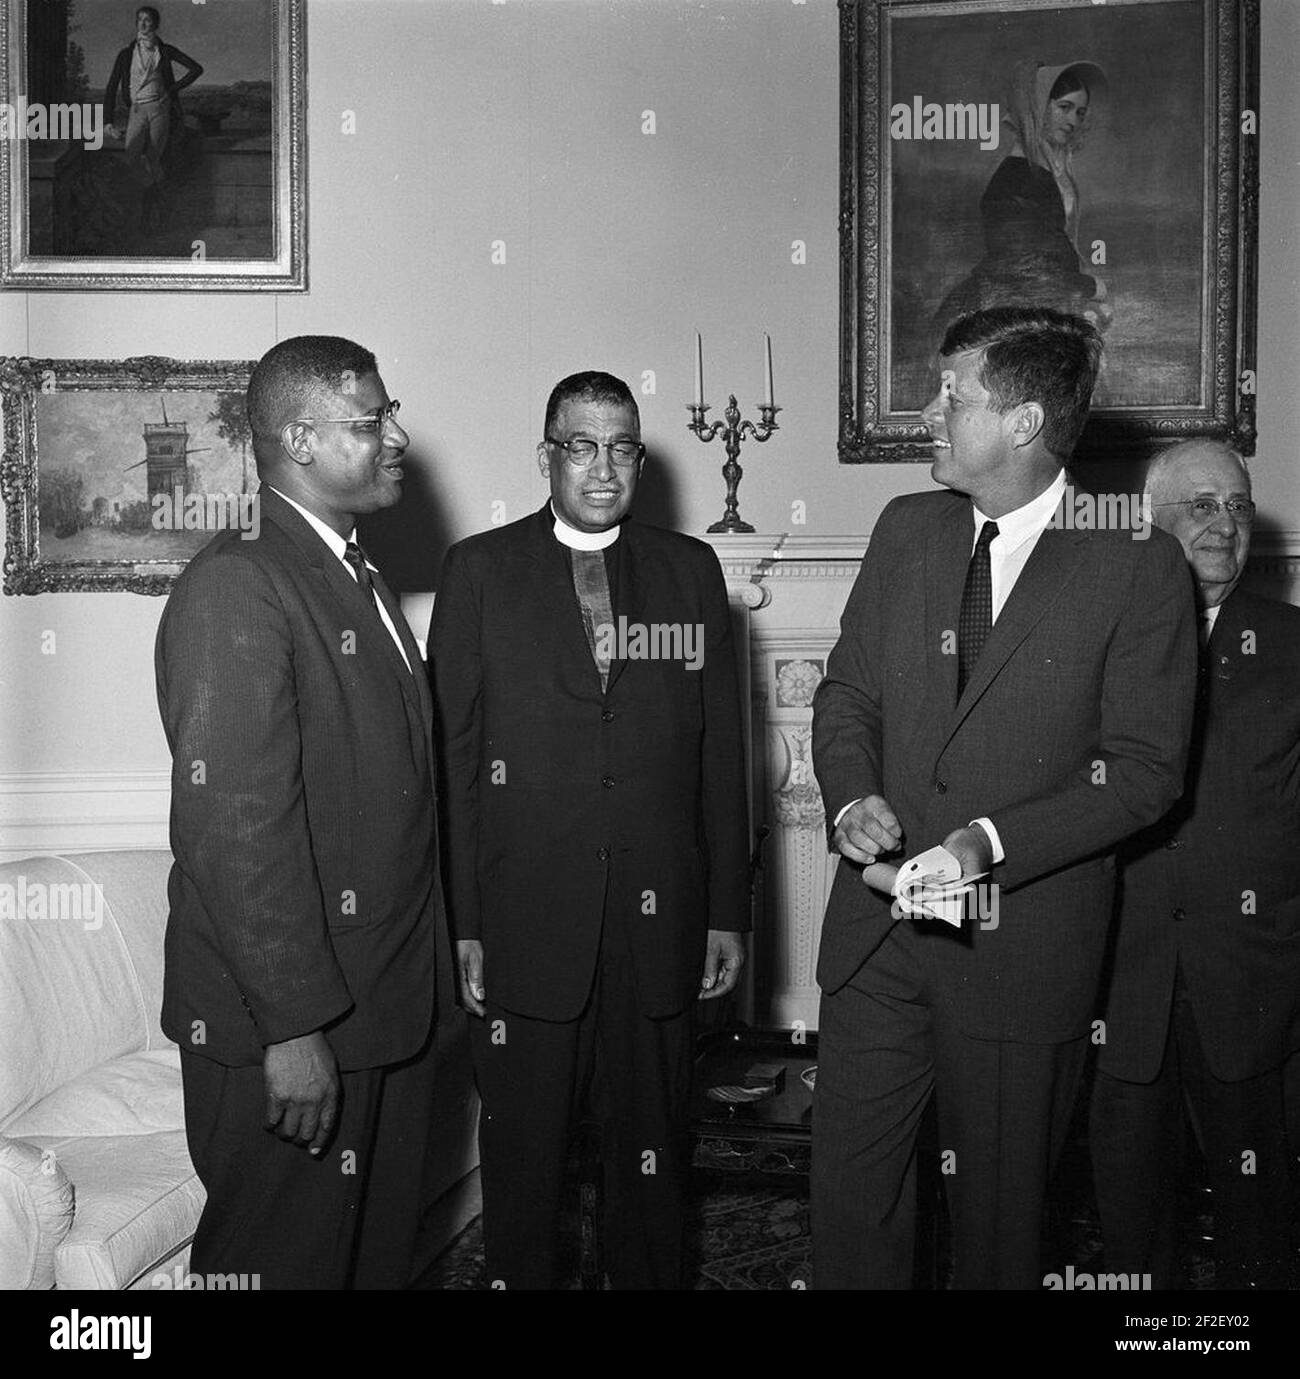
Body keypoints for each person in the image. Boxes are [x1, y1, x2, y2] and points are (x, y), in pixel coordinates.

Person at [811, 306, 1197, 1289]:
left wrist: (978, 845)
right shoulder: (906, 528)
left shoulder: (1138, 558)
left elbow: (1144, 771)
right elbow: (847, 689)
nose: (928, 411)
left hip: (1016, 946)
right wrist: (851, 791)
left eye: (952, 395)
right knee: (853, 1214)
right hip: (877, 935)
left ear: (1023, 422)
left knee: (996, 1236)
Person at [430, 370, 750, 1289]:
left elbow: (720, 756)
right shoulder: (479, 571)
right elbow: (454, 763)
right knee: (524, 1169)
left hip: (661, 926)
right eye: (582, 444)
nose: (603, 466)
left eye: (622, 447)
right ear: (547, 457)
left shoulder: (692, 571)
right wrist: (464, 924)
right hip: (526, 921)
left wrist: (727, 908)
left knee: (651, 1164)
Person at [155, 336, 440, 1289]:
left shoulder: (353, 572)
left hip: (382, 1012)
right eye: (372, 421)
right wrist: (293, 1030)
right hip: (292, 1032)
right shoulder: (238, 583)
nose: (397, 436)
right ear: (301, 438)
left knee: (368, 1266)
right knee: (281, 1269)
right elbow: (233, 831)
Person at [1090, 440, 1300, 1289]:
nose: (1227, 523)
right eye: (1203, 504)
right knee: (1131, 1226)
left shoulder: (1291, 643)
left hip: (1252, 979)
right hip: (1120, 980)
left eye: (1241, 507)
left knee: (1263, 1226)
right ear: (1149, 521)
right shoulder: (1096, 636)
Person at [936, 61, 1112, 333]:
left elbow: (1051, 250)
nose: (1073, 121)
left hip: (1035, 301)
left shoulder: (1045, 173)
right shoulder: (1014, 180)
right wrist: (1089, 287)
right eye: (1064, 107)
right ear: (1037, 106)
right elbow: (1024, 267)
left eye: (1079, 113)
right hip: (1003, 309)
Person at [105, 7, 203, 197]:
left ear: (155, 24)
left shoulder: (165, 51)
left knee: (154, 157)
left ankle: (156, 200)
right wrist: (108, 122)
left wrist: (171, 90)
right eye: (139, 19)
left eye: (147, 20)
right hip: (136, 110)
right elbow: (111, 87)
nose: (142, 23)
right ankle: (154, 192)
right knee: (132, 157)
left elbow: (196, 69)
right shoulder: (126, 54)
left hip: (160, 109)